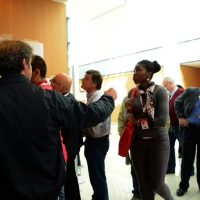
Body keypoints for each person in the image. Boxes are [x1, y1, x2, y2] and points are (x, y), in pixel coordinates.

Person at [0, 39, 117, 199]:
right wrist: (108, 99)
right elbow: (88, 115)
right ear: (24, 64)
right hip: (44, 188)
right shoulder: (47, 99)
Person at [125, 60, 174, 200]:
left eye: (138, 70)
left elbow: (161, 121)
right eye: (134, 70)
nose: (134, 73)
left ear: (149, 74)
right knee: (143, 184)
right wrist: (126, 108)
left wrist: (137, 122)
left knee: (157, 184)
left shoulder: (160, 91)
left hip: (158, 142)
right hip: (138, 143)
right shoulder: (132, 92)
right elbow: (128, 117)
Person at [50, 73, 83, 200]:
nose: (50, 82)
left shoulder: (68, 103)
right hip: (64, 149)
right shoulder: (60, 99)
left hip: (67, 150)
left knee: (67, 180)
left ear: (60, 88)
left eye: (52, 80)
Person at [81, 70, 110, 200]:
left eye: (86, 78)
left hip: (97, 142)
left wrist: (79, 125)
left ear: (94, 84)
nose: (83, 79)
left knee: (97, 175)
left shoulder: (96, 98)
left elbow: (94, 130)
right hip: (95, 142)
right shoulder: (92, 96)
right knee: (96, 175)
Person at [174, 87, 200, 196]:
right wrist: (180, 117)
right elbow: (177, 102)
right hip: (190, 128)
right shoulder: (191, 91)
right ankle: (183, 186)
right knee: (187, 159)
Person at [118, 96, 142, 200]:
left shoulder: (155, 95)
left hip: (152, 141)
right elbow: (121, 117)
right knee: (135, 169)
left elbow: (164, 120)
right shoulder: (129, 98)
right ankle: (137, 193)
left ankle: (150, 190)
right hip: (134, 139)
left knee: (151, 169)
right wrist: (122, 135)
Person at [162, 77, 184, 174]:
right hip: (170, 126)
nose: (165, 88)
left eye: (165, 85)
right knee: (169, 148)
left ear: (170, 83)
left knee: (184, 148)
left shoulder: (181, 92)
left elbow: (187, 106)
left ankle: (189, 169)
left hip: (179, 126)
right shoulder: (169, 94)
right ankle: (170, 168)